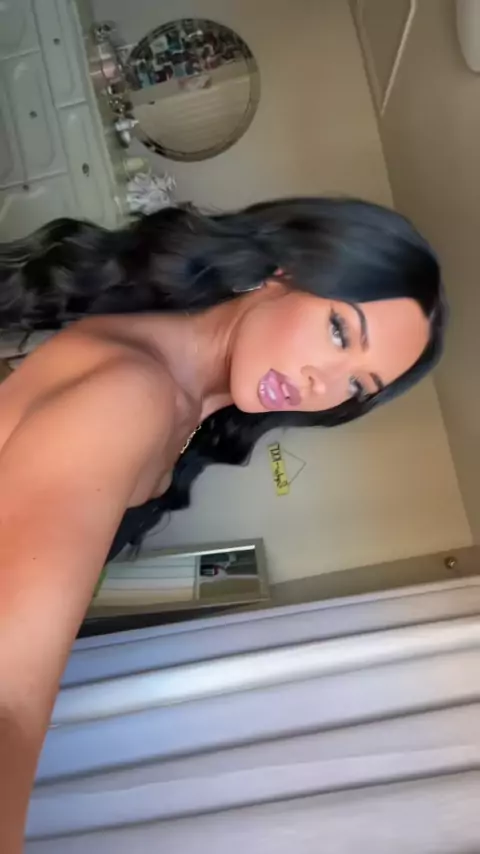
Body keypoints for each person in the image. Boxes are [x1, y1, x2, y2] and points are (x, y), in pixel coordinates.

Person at [0, 197, 445, 851]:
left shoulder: (184, 394)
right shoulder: (133, 396)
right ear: (282, 272)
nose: (321, 384)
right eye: (338, 332)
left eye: (357, 386)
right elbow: (9, 695)